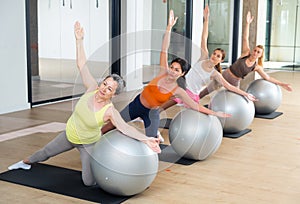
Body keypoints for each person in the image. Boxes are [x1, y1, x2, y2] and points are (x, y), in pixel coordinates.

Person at [7, 21, 161, 186]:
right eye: (104, 84)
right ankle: (24, 162)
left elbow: (125, 127)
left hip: (87, 144)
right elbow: (81, 65)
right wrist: (79, 41)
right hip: (69, 134)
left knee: (88, 182)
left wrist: (146, 139)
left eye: (109, 89)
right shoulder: (92, 88)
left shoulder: (110, 111)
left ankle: (104, 166)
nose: (104, 89)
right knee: (45, 152)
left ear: (114, 94)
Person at [101, 10, 231, 141]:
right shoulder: (163, 71)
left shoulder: (178, 90)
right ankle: (89, 141)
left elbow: (194, 105)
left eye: (177, 70)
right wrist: (169, 27)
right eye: (172, 67)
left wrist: (214, 113)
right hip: (136, 105)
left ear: (182, 74)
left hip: (152, 114)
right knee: (112, 124)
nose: (172, 71)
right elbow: (164, 49)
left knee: (152, 143)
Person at [160, 5, 257, 111]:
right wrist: (206, 20)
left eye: (218, 56)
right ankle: (145, 116)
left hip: (192, 96)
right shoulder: (204, 57)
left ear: (221, 61)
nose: (214, 56)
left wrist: (245, 94)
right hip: (182, 88)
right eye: (214, 53)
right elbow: (204, 37)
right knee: (164, 103)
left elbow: (229, 86)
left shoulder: (215, 74)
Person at [199, 10, 293, 98]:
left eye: (258, 52)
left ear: (260, 55)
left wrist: (282, 84)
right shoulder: (246, 53)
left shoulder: (256, 67)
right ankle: (191, 100)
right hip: (226, 74)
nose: (255, 53)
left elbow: (267, 77)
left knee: (236, 98)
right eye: (255, 50)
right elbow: (245, 38)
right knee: (207, 91)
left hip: (235, 81)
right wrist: (247, 23)